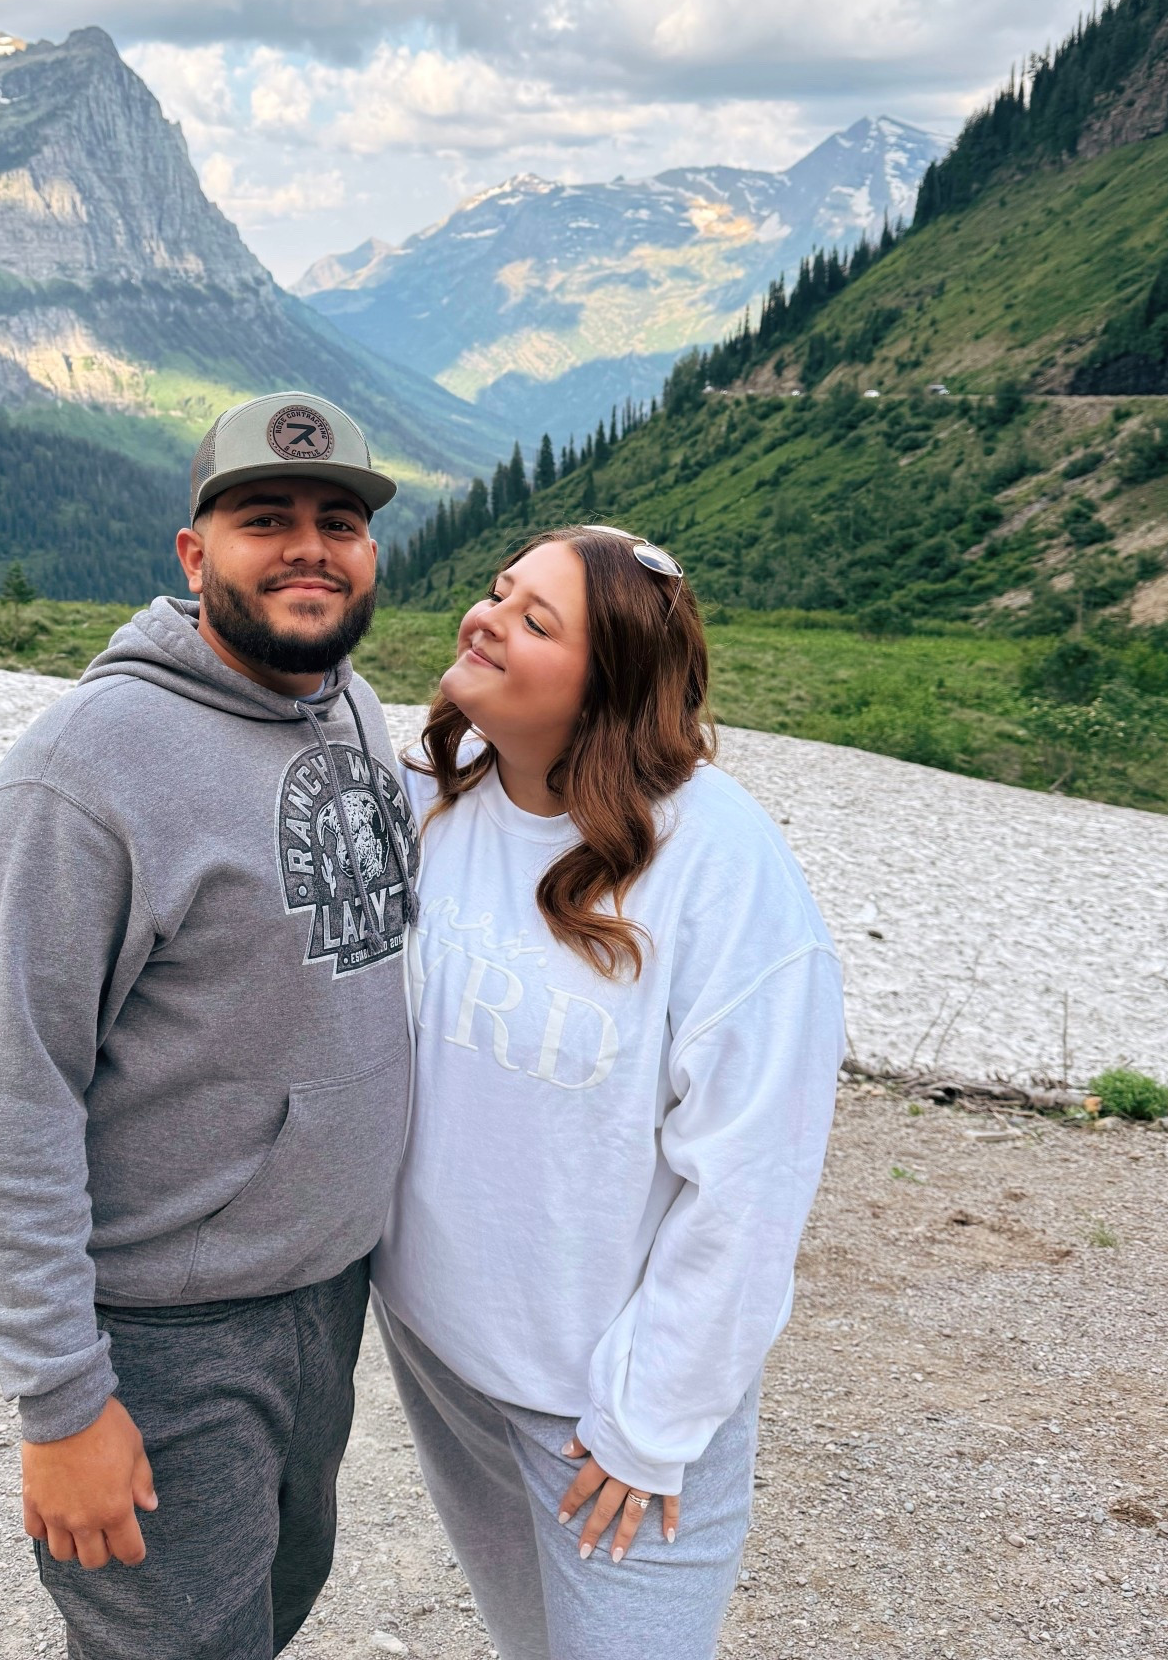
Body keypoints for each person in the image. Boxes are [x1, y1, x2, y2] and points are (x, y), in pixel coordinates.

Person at [0, 391, 419, 1660]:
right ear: (195, 554)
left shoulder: (355, 705)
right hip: (168, 1332)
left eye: (339, 521)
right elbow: (10, 1099)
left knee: (272, 1601)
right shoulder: (81, 773)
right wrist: (62, 1401)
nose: (310, 547)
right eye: (266, 518)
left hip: (325, 1291)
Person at [370, 523, 844, 1660]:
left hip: (606, 1408)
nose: (486, 620)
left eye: (535, 621)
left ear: (612, 687)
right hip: (443, 1353)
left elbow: (751, 1182)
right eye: (498, 591)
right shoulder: (435, 794)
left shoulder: (720, 870)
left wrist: (650, 1424)